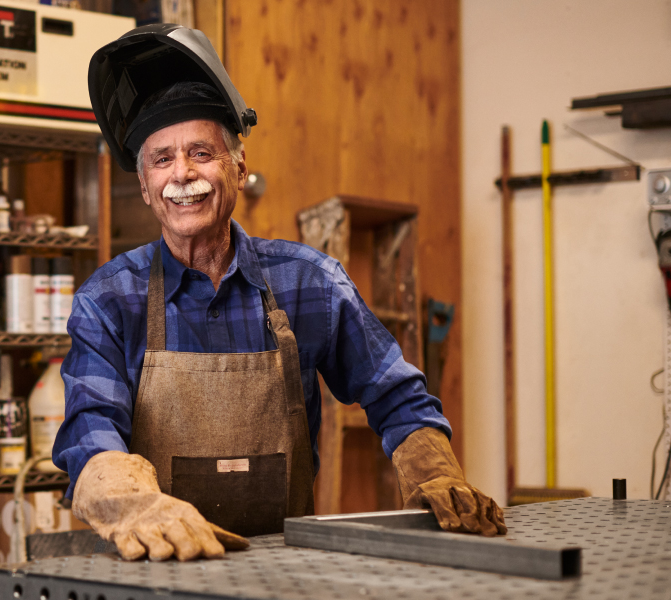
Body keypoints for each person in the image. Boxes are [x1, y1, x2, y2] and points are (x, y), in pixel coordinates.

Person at [52, 24, 506, 563]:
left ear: (239, 167)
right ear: (147, 187)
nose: (184, 174)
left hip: (288, 569)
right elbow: (90, 427)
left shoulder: (309, 281)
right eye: (163, 159)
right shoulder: (109, 300)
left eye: (202, 152)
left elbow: (396, 395)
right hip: (157, 564)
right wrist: (130, 502)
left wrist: (434, 474)